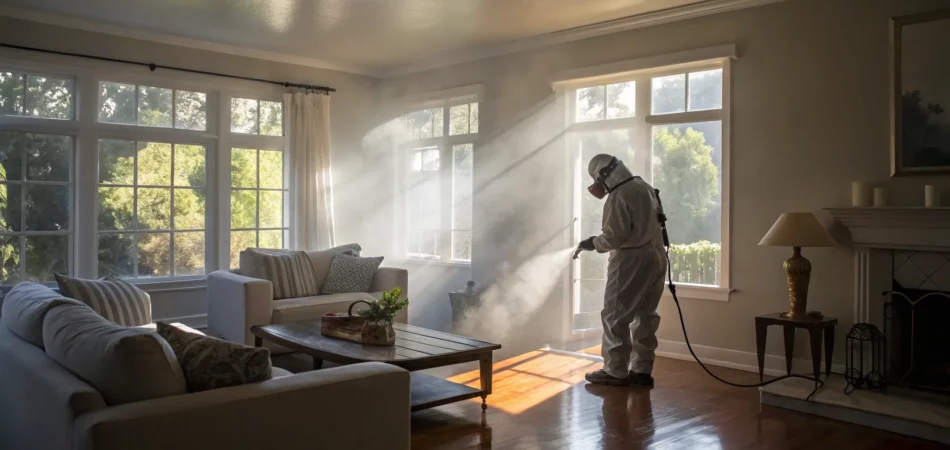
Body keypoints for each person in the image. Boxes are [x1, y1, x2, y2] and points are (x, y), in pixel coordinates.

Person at [574, 154, 667, 387]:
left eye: (597, 179)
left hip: (630, 259)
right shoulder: (644, 187)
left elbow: (614, 237)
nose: (598, 185)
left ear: (604, 174)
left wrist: (592, 243)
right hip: (655, 255)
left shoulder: (619, 195)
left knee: (615, 314)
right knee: (646, 314)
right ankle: (642, 370)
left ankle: (615, 371)